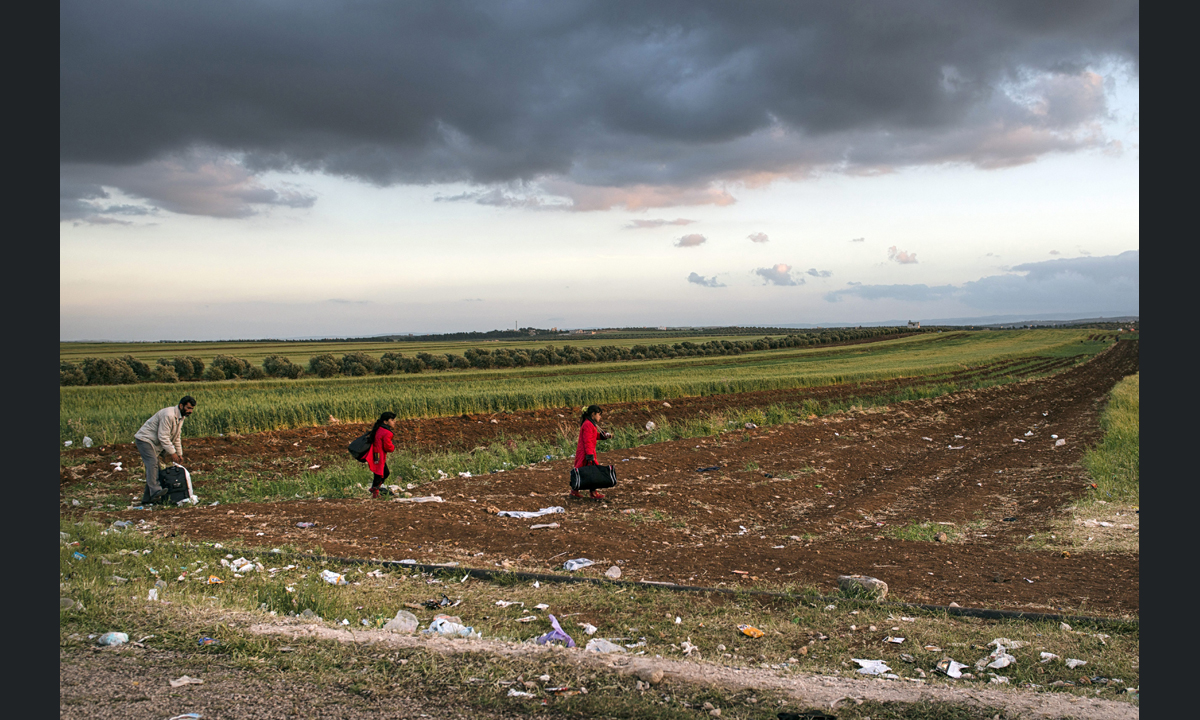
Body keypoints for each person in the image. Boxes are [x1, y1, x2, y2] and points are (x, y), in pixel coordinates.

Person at [134, 395, 195, 504]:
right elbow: (163, 436)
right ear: (181, 406)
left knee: (155, 468)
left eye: (192, 409)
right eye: (188, 408)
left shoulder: (181, 417)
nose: (190, 411)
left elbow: (176, 436)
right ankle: (155, 492)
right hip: (145, 440)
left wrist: (179, 453)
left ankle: (147, 499)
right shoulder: (169, 415)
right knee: (152, 464)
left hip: (154, 443)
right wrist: (173, 453)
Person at [571, 404, 613, 500]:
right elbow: (588, 441)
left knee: (583, 472)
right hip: (586, 453)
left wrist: (603, 436)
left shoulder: (589, 424)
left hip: (586, 452)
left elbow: (593, 436)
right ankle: (592, 493)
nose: (600, 417)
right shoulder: (588, 425)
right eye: (599, 414)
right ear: (593, 414)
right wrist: (590, 455)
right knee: (592, 472)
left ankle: (575, 491)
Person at [367, 411, 397, 499]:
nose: (394, 421)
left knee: (380, 472)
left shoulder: (379, 429)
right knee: (381, 473)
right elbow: (388, 447)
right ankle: (375, 491)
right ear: (385, 422)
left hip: (376, 454)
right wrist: (393, 447)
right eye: (392, 420)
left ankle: (375, 488)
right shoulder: (387, 432)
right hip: (379, 455)